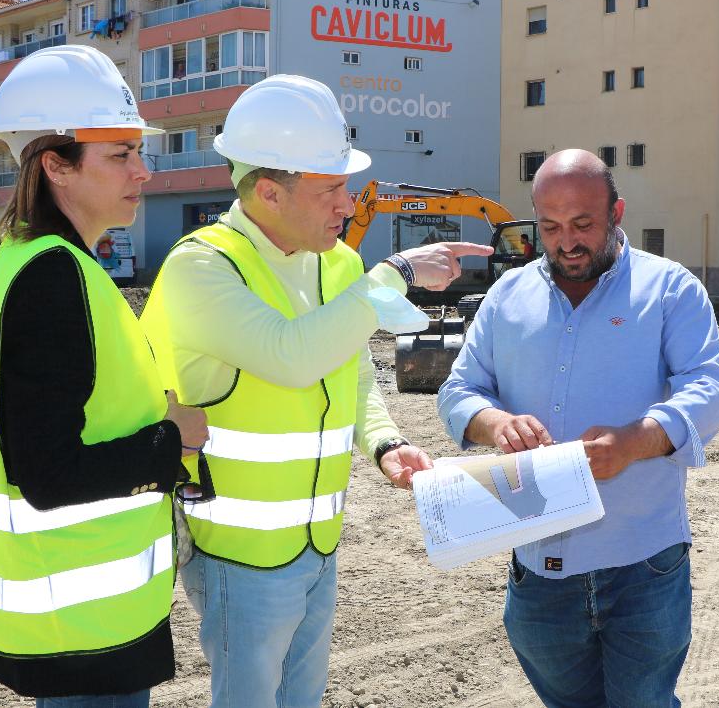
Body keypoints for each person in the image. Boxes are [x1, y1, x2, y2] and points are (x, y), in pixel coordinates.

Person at [139, 74, 492, 708]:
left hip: (317, 542)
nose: (347, 205)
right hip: (237, 552)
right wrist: (399, 272)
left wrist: (383, 441)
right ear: (269, 192)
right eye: (330, 189)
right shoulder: (203, 266)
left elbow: (349, 367)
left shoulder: (338, 263)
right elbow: (291, 356)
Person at [0, 45, 209, 707]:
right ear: (55, 165)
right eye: (119, 155)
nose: (143, 172)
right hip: (82, 628)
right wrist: (173, 440)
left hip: (72, 608)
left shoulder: (32, 258)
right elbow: (47, 473)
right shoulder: (53, 278)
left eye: (138, 152)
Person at [437, 149, 719, 708]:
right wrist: (496, 423)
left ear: (616, 213)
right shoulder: (506, 297)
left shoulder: (669, 289)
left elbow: (710, 389)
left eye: (582, 224)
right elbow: (458, 391)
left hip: (644, 564)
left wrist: (634, 442)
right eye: (550, 227)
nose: (566, 242)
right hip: (539, 570)